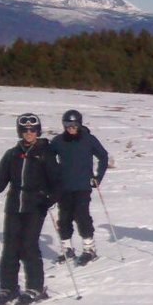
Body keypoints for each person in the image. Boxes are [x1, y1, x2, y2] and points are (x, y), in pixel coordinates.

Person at [0, 113, 61, 305]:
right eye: (25, 130)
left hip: (35, 206)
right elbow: (0, 182)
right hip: (14, 205)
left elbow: (57, 182)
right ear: (20, 132)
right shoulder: (12, 154)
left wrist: (50, 199)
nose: (29, 133)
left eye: (32, 130)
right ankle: (9, 287)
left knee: (28, 246)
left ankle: (35, 287)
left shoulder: (45, 153)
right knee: (10, 247)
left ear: (38, 131)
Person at [49, 109, 109, 265]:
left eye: (74, 124)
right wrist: (54, 173)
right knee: (64, 218)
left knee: (82, 216)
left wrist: (98, 177)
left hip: (83, 185)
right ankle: (67, 249)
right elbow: (47, 157)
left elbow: (103, 156)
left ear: (80, 123)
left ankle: (89, 249)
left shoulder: (89, 140)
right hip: (64, 186)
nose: (71, 127)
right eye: (67, 124)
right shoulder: (59, 141)